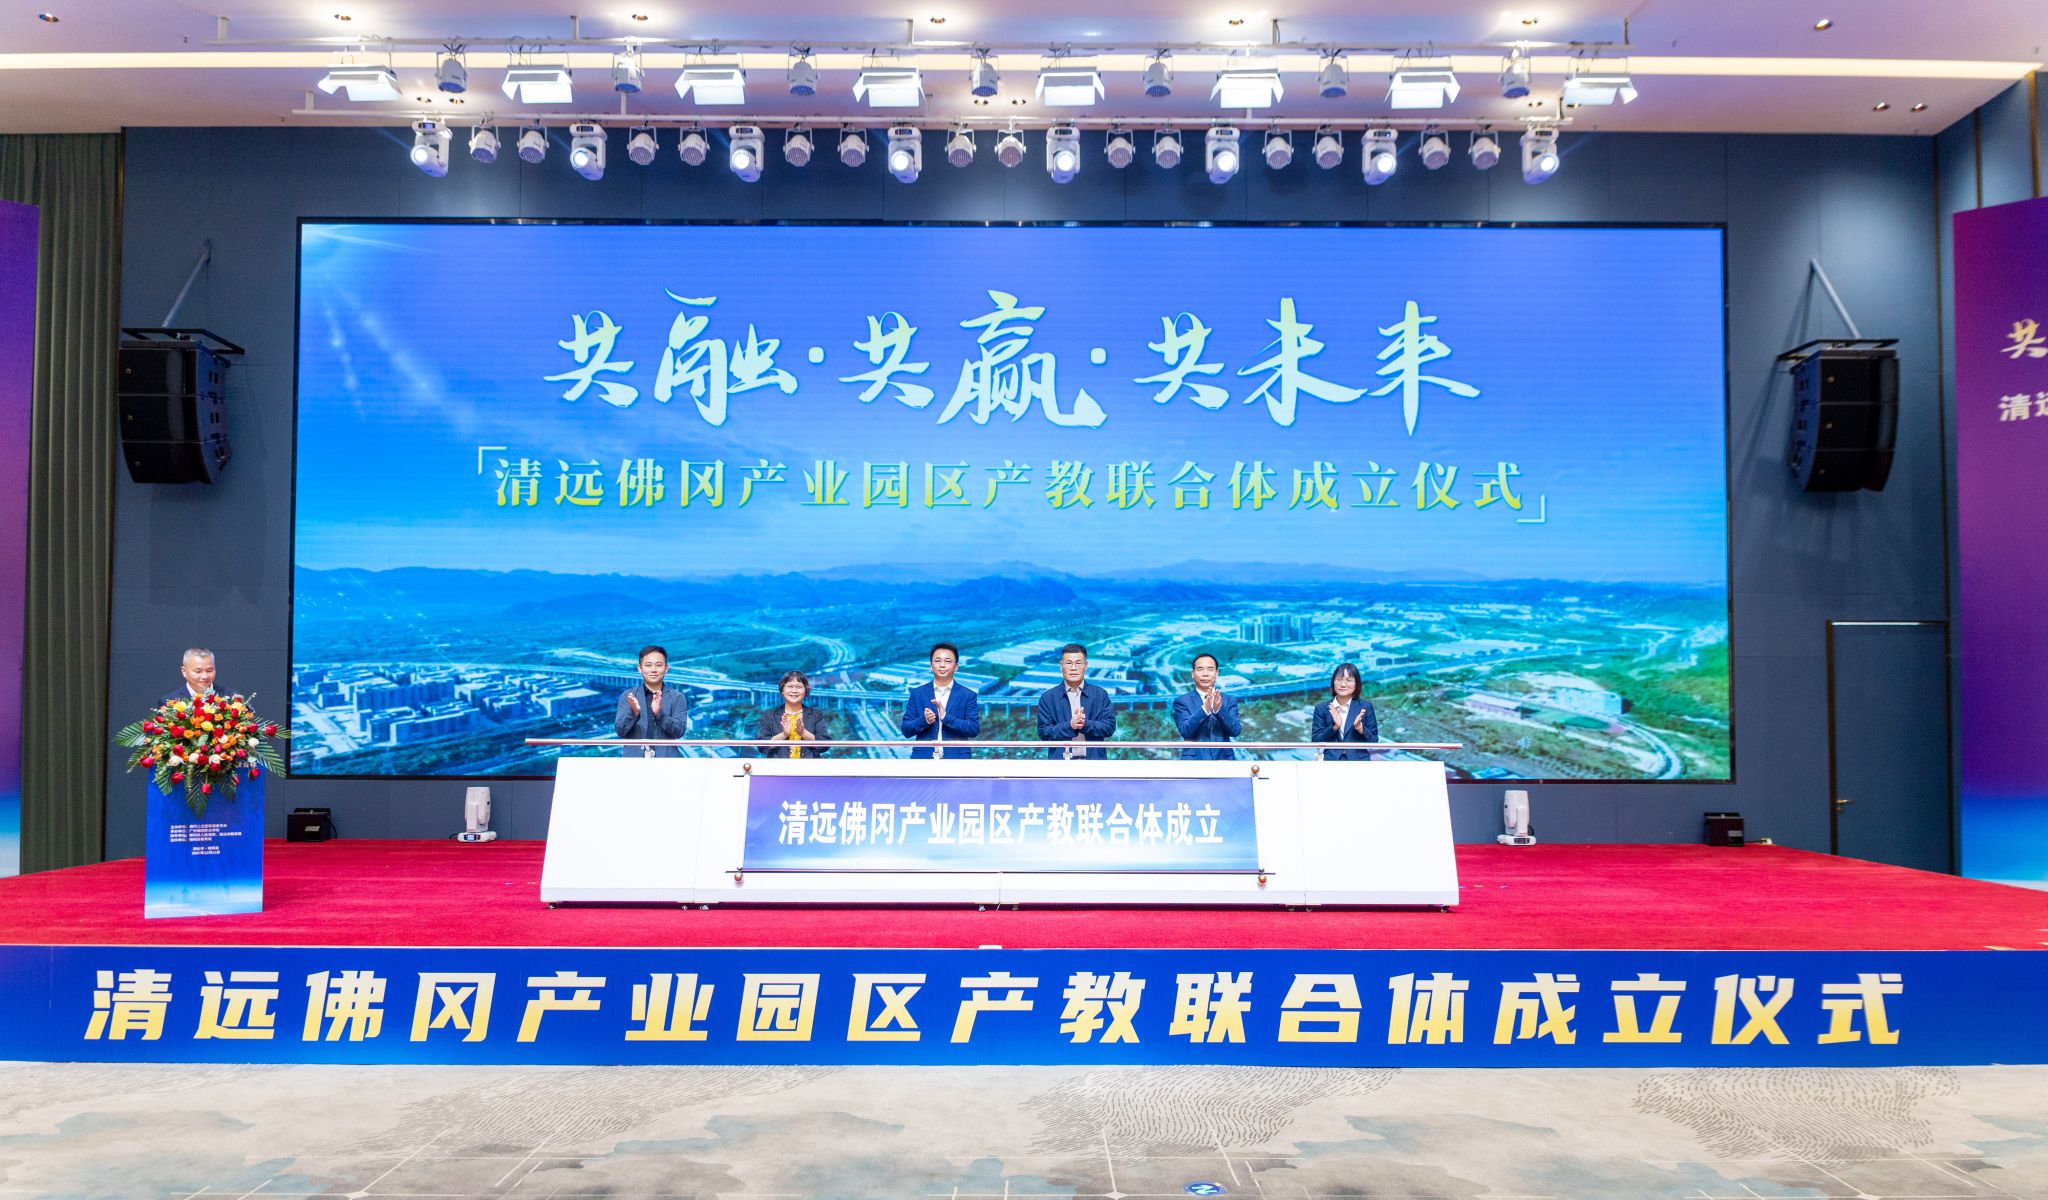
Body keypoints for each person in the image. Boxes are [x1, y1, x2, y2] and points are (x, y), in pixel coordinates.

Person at [1035, 643, 1116, 760]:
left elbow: (1109, 728)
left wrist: (1085, 724)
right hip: (1061, 764)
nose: (1073, 668)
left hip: (1094, 763)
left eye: (1078, 663)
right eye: (1068, 663)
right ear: (1061, 666)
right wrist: (1070, 726)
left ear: (1086, 666)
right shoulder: (1048, 697)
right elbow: (1044, 733)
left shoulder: (1100, 694)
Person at [902, 641, 980, 759]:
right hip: (923, 760)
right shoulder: (917, 694)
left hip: (957, 760)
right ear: (931, 665)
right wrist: (924, 720)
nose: (942, 665)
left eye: (948, 661)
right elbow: (906, 730)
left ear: (956, 667)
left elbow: (973, 729)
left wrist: (946, 717)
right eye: (937, 661)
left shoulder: (968, 695)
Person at [614, 644, 689, 758]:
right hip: (634, 762)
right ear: (640, 668)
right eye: (648, 665)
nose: (653, 670)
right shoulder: (628, 696)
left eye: (659, 665)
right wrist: (633, 713)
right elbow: (620, 731)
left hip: (667, 762)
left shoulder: (678, 697)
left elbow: (679, 732)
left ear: (666, 668)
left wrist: (659, 714)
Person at [1171, 652, 1242, 760]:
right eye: (1200, 669)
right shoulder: (1182, 702)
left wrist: (1219, 709)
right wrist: (1205, 710)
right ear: (1193, 674)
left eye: (1210, 669)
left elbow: (1235, 731)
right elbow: (1185, 731)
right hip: (1194, 762)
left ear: (1217, 673)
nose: (1205, 674)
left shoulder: (1229, 700)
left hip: (1224, 761)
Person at [1310, 662, 1379, 760]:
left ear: (1357, 684)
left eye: (1349, 680)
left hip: (1359, 762)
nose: (1343, 684)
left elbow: (1374, 741)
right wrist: (1334, 727)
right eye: (1339, 679)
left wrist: (1361, 728)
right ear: (1333, 682)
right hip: (1331, 762)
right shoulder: (1321, 708)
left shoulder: (1365, 706)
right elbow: (1316, 741)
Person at [757, 669, 833, 758]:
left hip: (809, 765)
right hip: (778, 766)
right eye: (790, 686)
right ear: (782, 690)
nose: (794, 690)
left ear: (805, 691)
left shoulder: (815, 715)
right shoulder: (769, 715)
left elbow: (825, 745)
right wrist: (784, 735)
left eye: (799, 687)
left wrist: (804, 734)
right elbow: (761, 746)